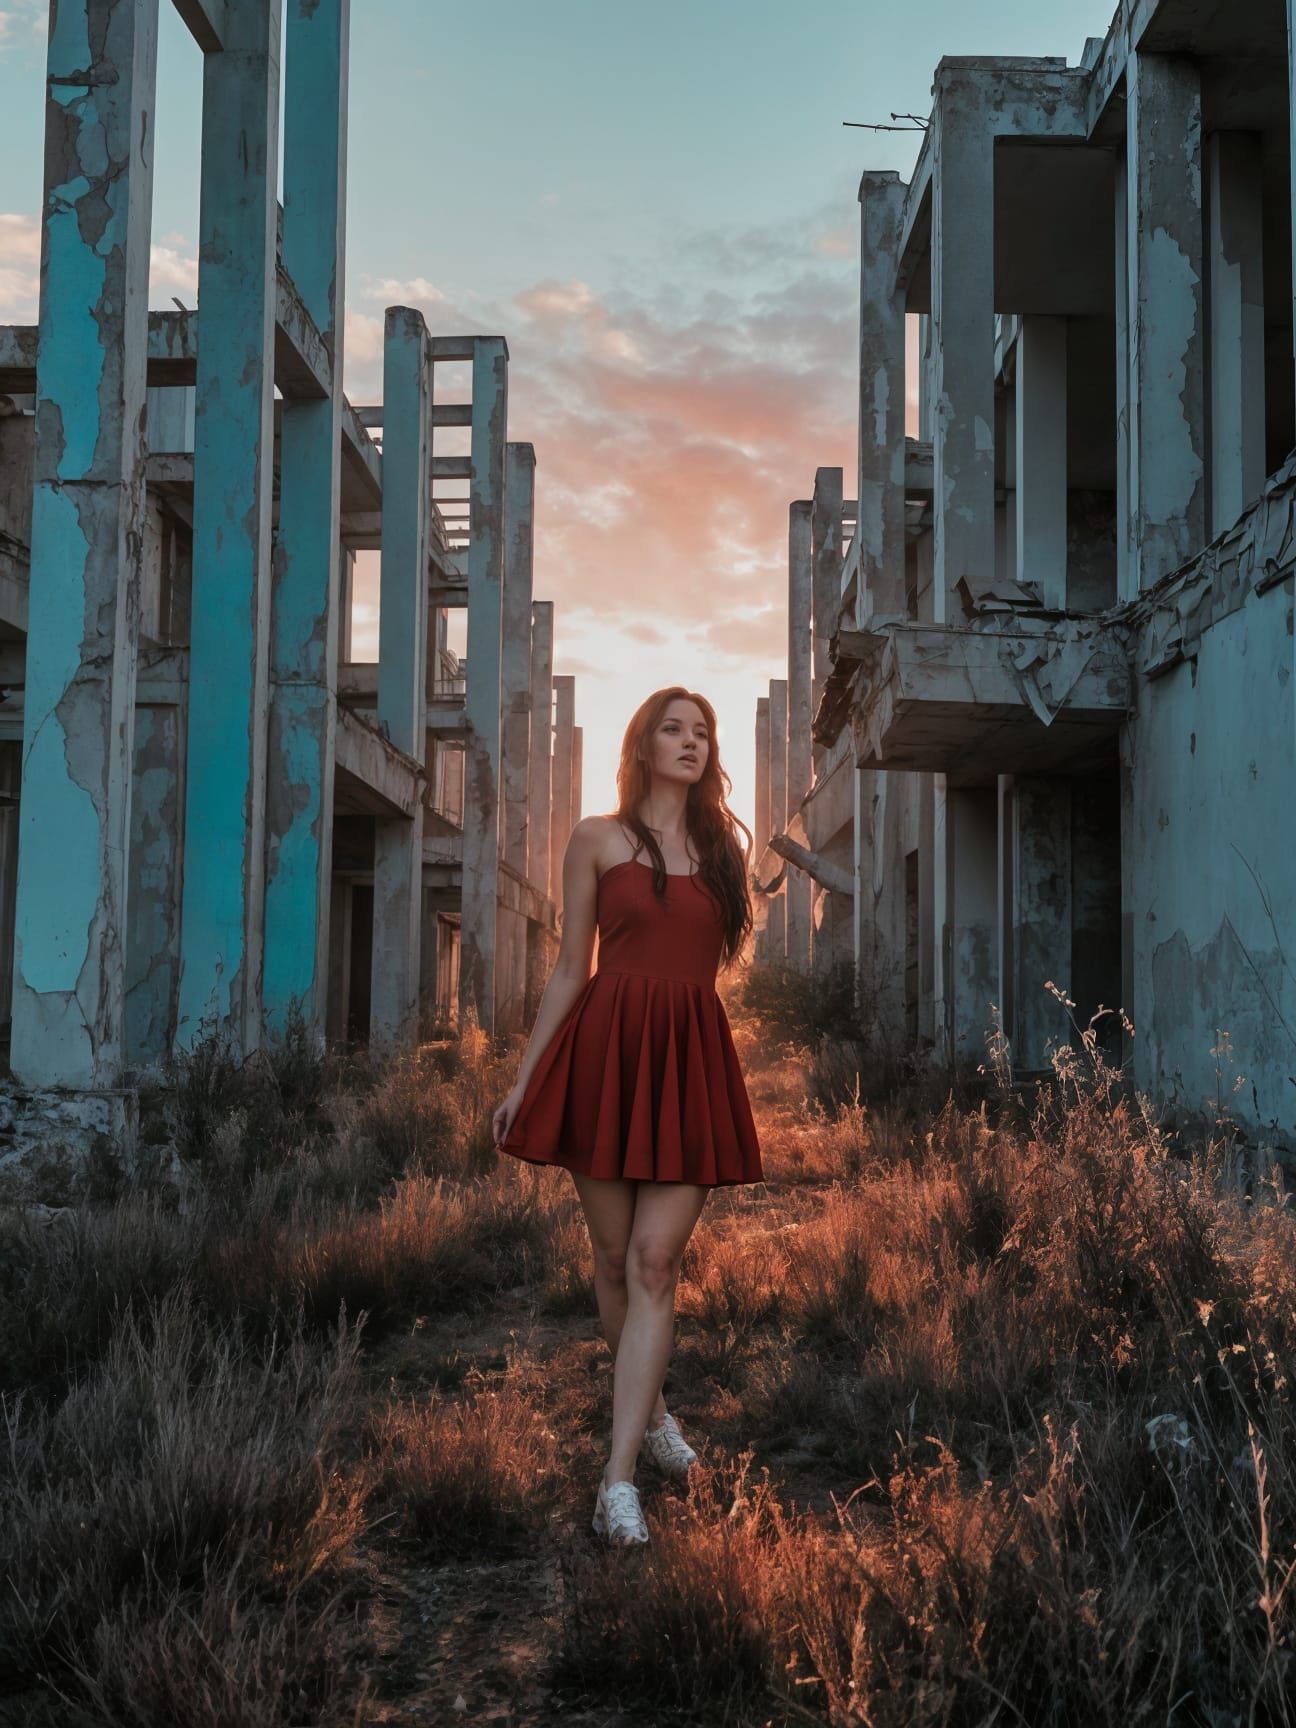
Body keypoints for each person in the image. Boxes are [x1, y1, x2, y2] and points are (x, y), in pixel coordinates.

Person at [491, 686, 764, 1547]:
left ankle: (617, 1486)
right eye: (674, 730)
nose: (691, 743)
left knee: (653, 1263)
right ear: (643, 744)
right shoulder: (596, 839)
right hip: (606, 1054)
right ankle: (652, 1419)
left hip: (686, 1058)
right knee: (611, 1261)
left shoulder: (721, 850)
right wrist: (524, 1080)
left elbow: (707, 966)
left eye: (703, 733)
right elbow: (572, 968)